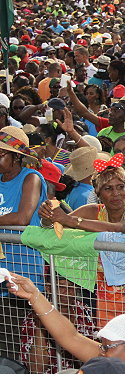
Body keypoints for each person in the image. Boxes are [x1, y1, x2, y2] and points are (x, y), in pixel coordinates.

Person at [38, 160, 125, 328]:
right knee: (110, 338)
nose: (116, 193)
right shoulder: (92, 211)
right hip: (106, 289)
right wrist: (47, 216)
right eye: (108, 188)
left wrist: (72, 221)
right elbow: (55, 224)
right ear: (98, 193)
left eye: (120, 187)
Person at [0, 126, 47, 360]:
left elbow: (23, 217)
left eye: (1, 154)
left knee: (18, 343)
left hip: (23, 269)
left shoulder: (31, 178)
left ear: (17, 156)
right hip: (1, 268)